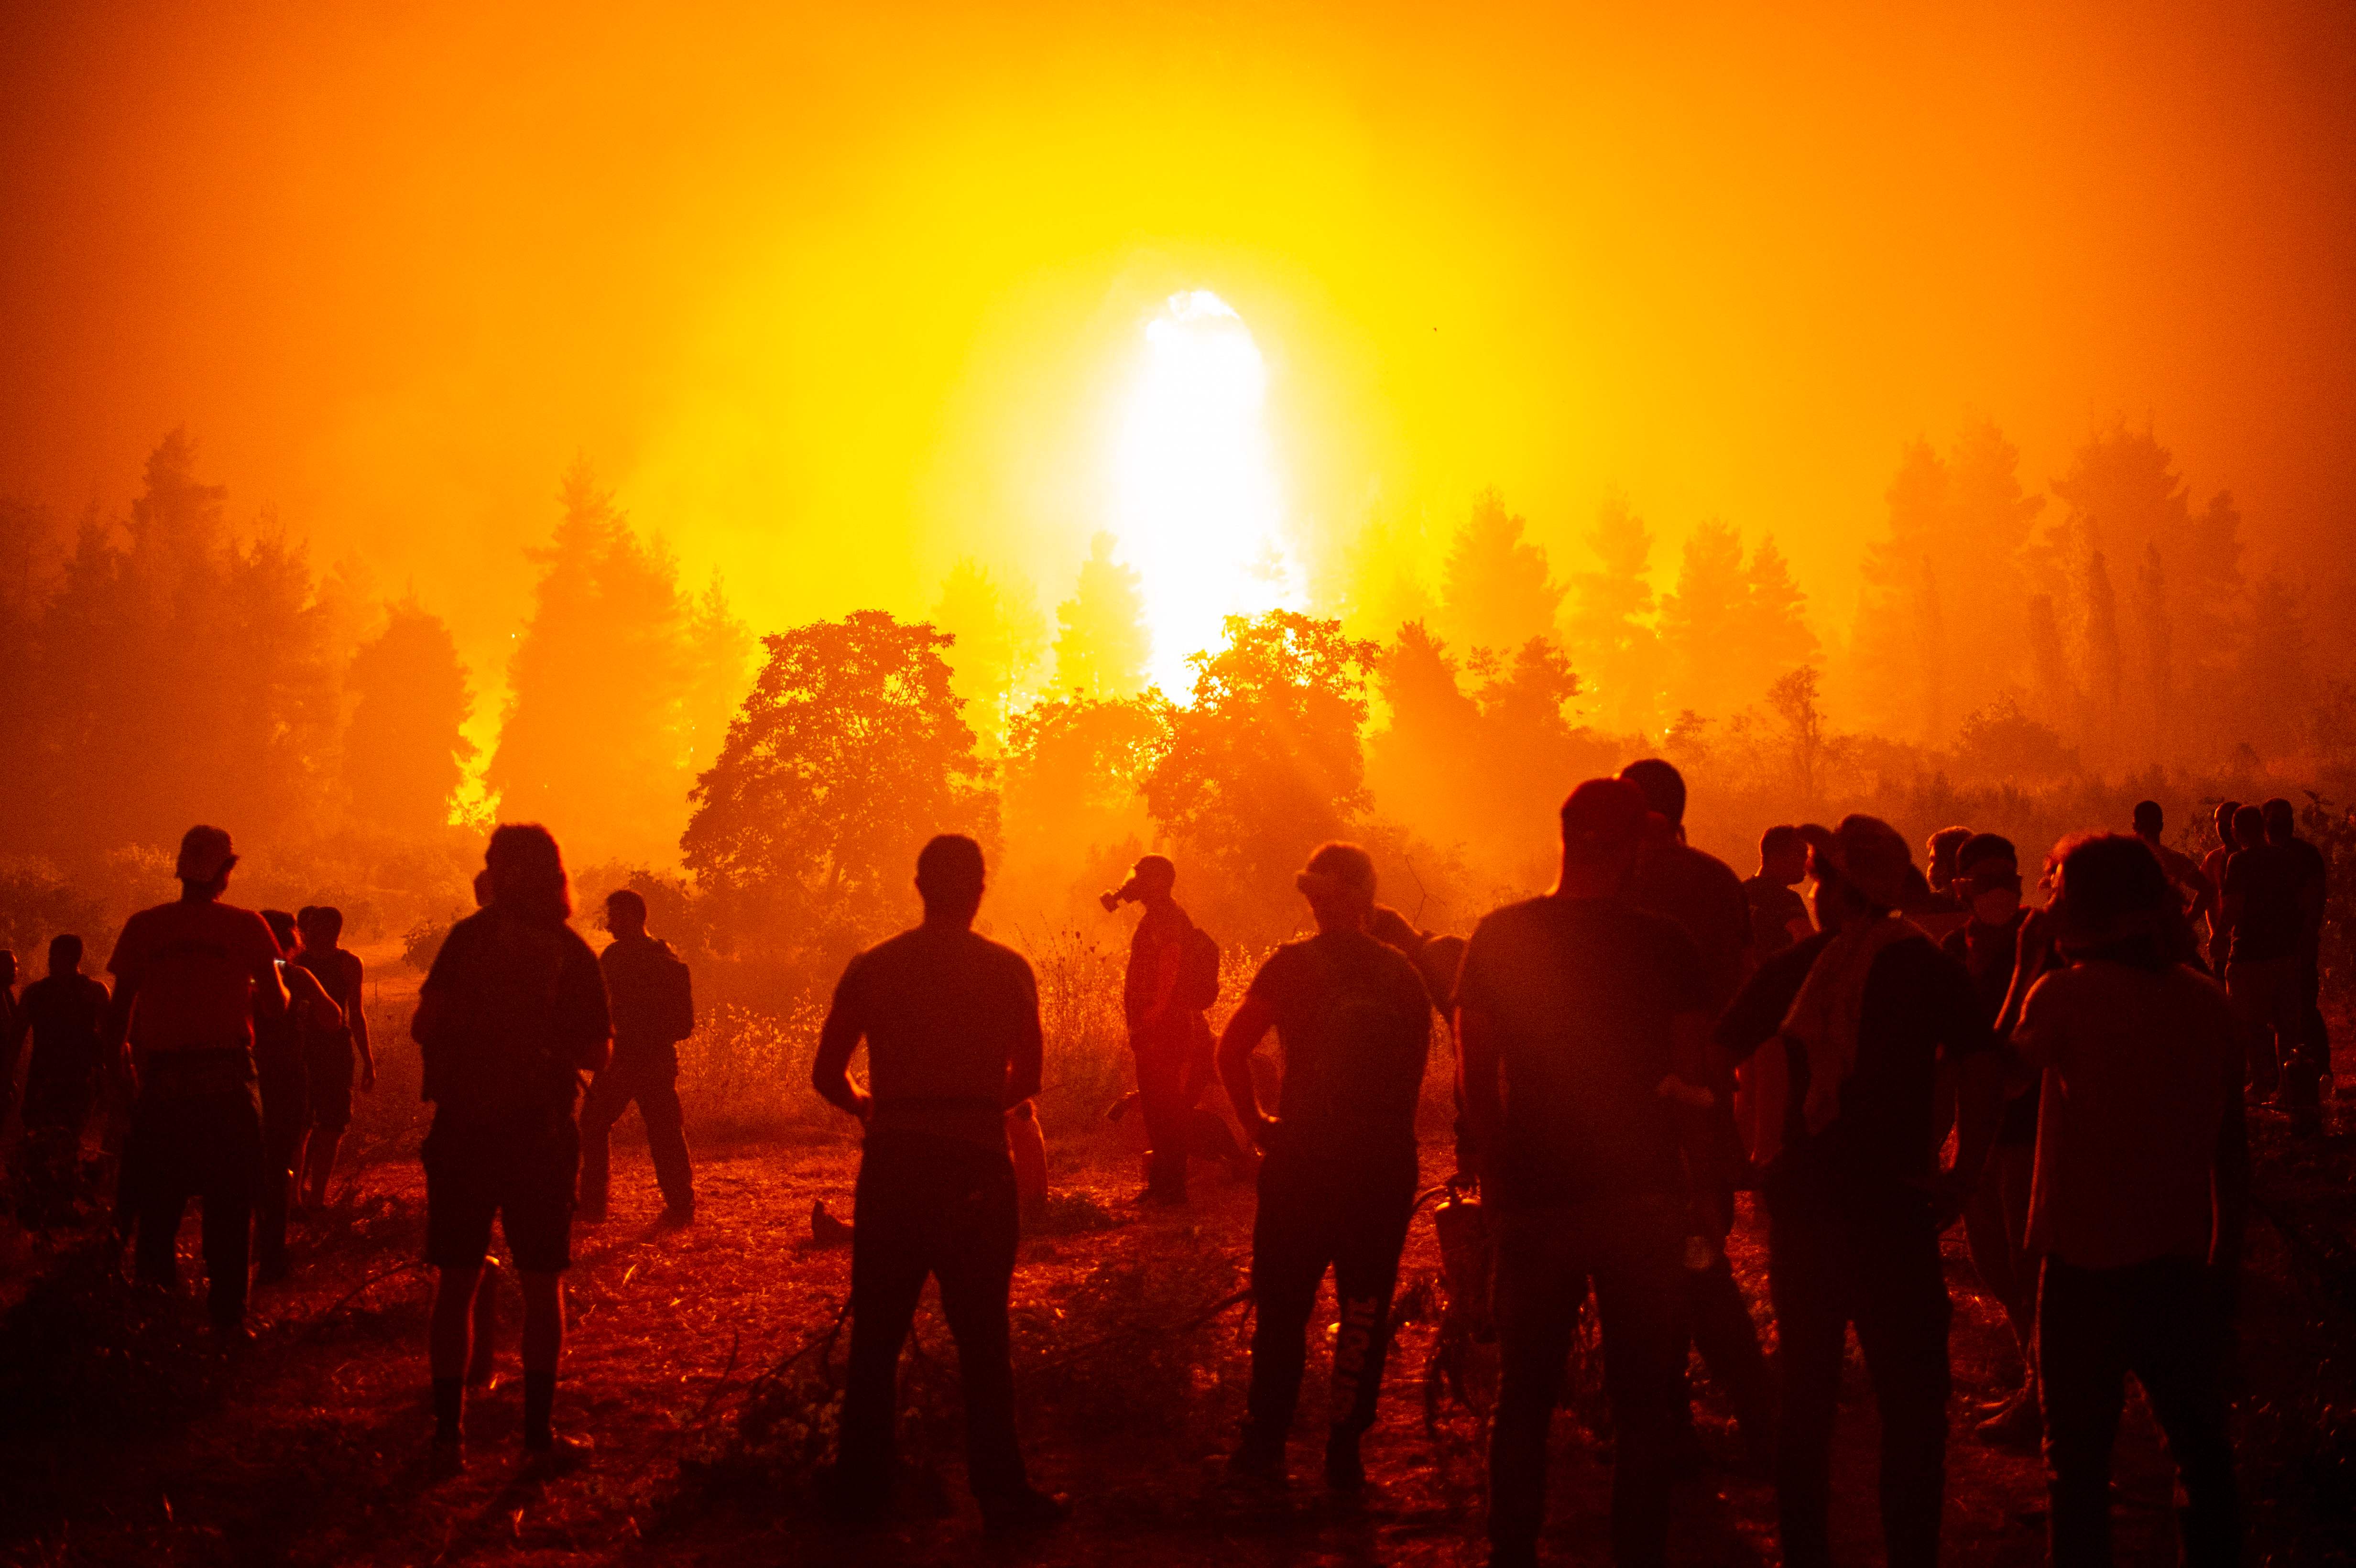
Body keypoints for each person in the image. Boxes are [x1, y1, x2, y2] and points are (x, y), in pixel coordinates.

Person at [1712, 815, 2002, 1568]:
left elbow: (1718, 1053)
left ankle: (1806, 1550)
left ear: (1838, 891)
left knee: (1806, 1396)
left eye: (1817, 881)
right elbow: (1981, 1066)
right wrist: (1963, 1172)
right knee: (1913, 1404)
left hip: (1808, 1208)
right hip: (1896, 1208)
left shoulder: (1798, 970)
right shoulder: (1928, 969)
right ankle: (1912, 1550)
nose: (1811, 894)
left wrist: (1744, 1160)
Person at [1459, 778, 1717, 1568]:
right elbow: (1692, 1078)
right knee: (1643, 1406)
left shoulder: (1501, 934)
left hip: (1535, 1194)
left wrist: (1494, 1178)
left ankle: (1511, 1554)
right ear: (1635, 846)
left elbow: (1477, 1075)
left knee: (1522, 1400)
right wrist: (1703, 1189)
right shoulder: (1664, 942)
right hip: (1640, 1193)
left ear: (1565, 837)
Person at [812, 834, 1065, 1533]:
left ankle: (859, 1496)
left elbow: (826, 1074)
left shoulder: (874, 968)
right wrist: (976, 1100)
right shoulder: (1009, 971)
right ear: (979, 889)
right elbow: (1032, 1077)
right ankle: (1003, 1496)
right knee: (983, 1337)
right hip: (977, 1164)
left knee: (877, 1339)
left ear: (918, 886)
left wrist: (874, 1107)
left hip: (895, 1165)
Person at [2013, 834, 2245, 1567]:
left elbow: (2001, 1077)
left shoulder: (2064, 994)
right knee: (2201, 1455)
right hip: (2177, 1257)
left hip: (2082, 1262)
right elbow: (2230, 1145)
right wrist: (2224, 1256)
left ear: (2080, 907)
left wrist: (2023, 969)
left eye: (2056, 889)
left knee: (2076, 1464)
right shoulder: (2204, 998)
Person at [1217, 842, 1433, 1493]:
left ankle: (1265, 1446)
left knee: (1284, 1309)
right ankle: (1345, 1452)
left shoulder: (1290, 967)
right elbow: (1411, 1081)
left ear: (1315, 897)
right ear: (1369, 894)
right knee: (1364, 1307)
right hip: (1379, 1163)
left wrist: (1258, 1127)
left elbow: (1230, 1049)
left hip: (1302, 1159)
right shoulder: (1402, 975)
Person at [412, 824, 611, 1470]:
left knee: (457, 1281)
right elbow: (596, 1053)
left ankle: (449, 1437)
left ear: (503, 872)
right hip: (539, 1133)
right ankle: (537, 1436)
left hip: (464, 1129)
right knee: (542, 1282)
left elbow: (426, 1023)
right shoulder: (568, 949)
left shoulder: (466, 941)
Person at [1617, 757, 1773, 1472]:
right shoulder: (1718, 881)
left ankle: (1675, 1413)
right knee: (1701, 1242)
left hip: (1630, 1095)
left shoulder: (1614, 880)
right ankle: (1754, 1413)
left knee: (1647, 1258)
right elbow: (1745, 978)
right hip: (1709, 1088)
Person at [104, 826, 288, 1338]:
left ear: (182, 869)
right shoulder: (248, 926)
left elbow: (119, 1016)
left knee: (158, 1212)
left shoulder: (144, 926)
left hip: (163, 1088)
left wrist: (120, 1076)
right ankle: (228, 1320)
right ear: (226, 872)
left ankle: (155, 1320)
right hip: (228, 1086)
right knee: (230, 1207)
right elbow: (275, 1003)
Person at [1939, 834, 2039, 1445]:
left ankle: (2043, 1392)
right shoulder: (1954, 951)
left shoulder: (2045, 943)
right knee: (1991, 1261)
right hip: (1975, 1129)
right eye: (1983, 880)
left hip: (2031, 1128)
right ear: (1960, 889)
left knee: (2029, 1263)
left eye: (2005, 876)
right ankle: (2037, 1374)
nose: (1998, 889)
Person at [578, 888, 696, 1226]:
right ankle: (681, 1205)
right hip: (657, 1060)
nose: (610, 925)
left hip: (622, 1062)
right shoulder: (667, 959)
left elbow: (596, 1011)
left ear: (631, 917)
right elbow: (683, 1025)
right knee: (665, 1131)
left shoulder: (614, 959)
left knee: (594, 1124)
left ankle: (593, 1205)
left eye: (614, 917)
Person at [1106, 854, 1217, 1204]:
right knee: (1159, 1108)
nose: (1133, 882)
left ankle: (1171, 1190)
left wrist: (1154, 1012)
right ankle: (1163, 1186)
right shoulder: (1161, 915)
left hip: (1164, 1029)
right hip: (1160, 1026)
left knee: (1166, 1108)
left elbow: (1171, 961)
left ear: (1157, 882)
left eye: (1140, 876)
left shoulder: (1167, 917)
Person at [253, 910, 342, 1279]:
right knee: (278, 1164)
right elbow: (333, 1017)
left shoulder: (237, 975)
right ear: (290, 940)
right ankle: (271, 1253)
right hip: (286, 1077)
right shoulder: (297, 975)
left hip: (243, 1074)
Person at [12, 936, 111, 1229]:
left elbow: (15, 1041)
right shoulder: (91, 992)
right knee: (57, 1139)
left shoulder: (40, 993)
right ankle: (49, 1208)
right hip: (64, 1076)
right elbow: (109, 1039)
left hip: (61, 1076)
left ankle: (47, 1209)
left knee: (56, 1139)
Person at [2218, 803, 2308, 1109]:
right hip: (2284, 953)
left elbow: (2233, 907)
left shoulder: (2238, 862)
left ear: (2237, 830)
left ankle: (2259, 1086)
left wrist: (2218, 937)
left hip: (2250, 954)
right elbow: (2299, 902)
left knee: (2251, 1026)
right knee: (2286, 1027)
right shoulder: (2286, 859)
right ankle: (2288, 1090)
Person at [291, 905, 373, 1210]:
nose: (305, 932)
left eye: (312, 927)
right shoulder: (296, 962)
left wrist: (368, 1059)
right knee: (301, 1124)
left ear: (329, 930)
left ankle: (315, 1197)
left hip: (335, 1052)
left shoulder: (349, 964)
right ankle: (294, 1195)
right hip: (302, 1050)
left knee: (332, 1124)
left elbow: (357, 1014)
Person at [2265, 796, 2333, 1123]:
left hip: (2296, 943)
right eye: (2277, 819)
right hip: (2273, 946)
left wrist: (2308, 936)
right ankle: (2289, 1080)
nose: (2283, 823)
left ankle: (2321, 1071)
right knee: (2280, 1014)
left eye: (2286, 817)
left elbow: (2315, 899)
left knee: (2305, 1006)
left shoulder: (2304, 855)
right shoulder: (2261, 857)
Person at [2133, 801, 2217, 931]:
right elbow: (2207, 890)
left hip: (2135, 934)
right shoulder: (2174, 859)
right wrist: (2186, 921)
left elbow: (2207, 890)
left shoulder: (2123, 858)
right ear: (2161, 826)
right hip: (2164, 932)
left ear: (2135, 826)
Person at [1746, 825, 1815, 959]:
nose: (1807, 862)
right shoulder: (1787, 899)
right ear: (1776, 856)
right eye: (1801, 854)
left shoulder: (1740, 891)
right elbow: (1810, 945)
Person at [2198, 802, 2241, 973]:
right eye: (2217, 822)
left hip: (2246, 942)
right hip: (2221, 945)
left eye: (2225, 823)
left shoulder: (2250, 858)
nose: (2220, 828)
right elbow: (2205, 897)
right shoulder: (2213, 859)